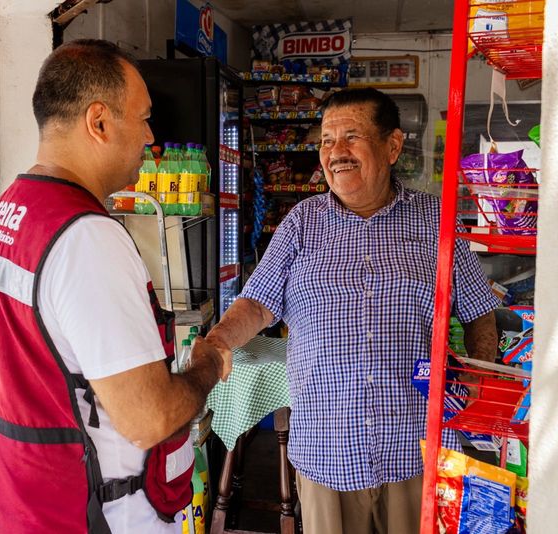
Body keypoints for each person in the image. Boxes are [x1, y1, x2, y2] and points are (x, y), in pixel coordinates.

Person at [205, 88, 499, 534]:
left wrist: (476, 380)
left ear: (392, 145)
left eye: (351, 137)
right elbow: (258, 302)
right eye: (326, 140)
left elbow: (478, 308)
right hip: (326, 451)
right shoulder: (301, 223)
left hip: (414, 447)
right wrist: (219, 340)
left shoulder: (434, 220)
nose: (336, 153)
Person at [0, 39, 230, 533]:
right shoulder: (86, 237)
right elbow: (150, 418)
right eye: (144, 117)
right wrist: (208, 368)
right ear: (99, 122)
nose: (151, 138)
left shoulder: (7, 213)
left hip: (23, 506)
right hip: (100, 517)